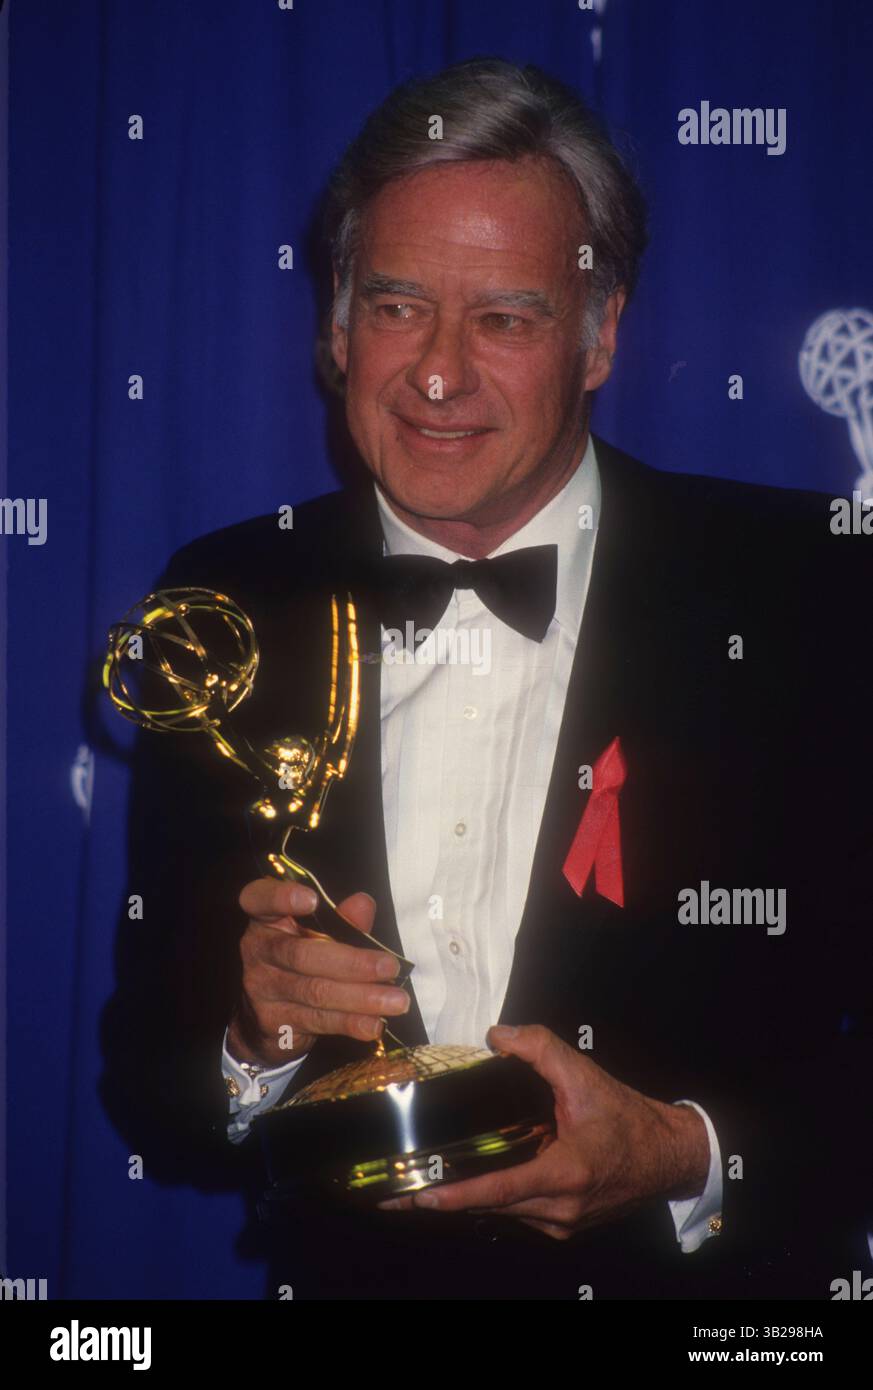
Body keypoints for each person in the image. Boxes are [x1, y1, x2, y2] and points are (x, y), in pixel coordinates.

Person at [100, 58, 872, 1301]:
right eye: (399, 307)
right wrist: (254, 1045)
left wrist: (685, 1152)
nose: (439, 374)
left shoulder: (814, 590)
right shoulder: (228, 600)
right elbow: (155, 1093)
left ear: (601, 332)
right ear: (336, 325)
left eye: (505, 318)